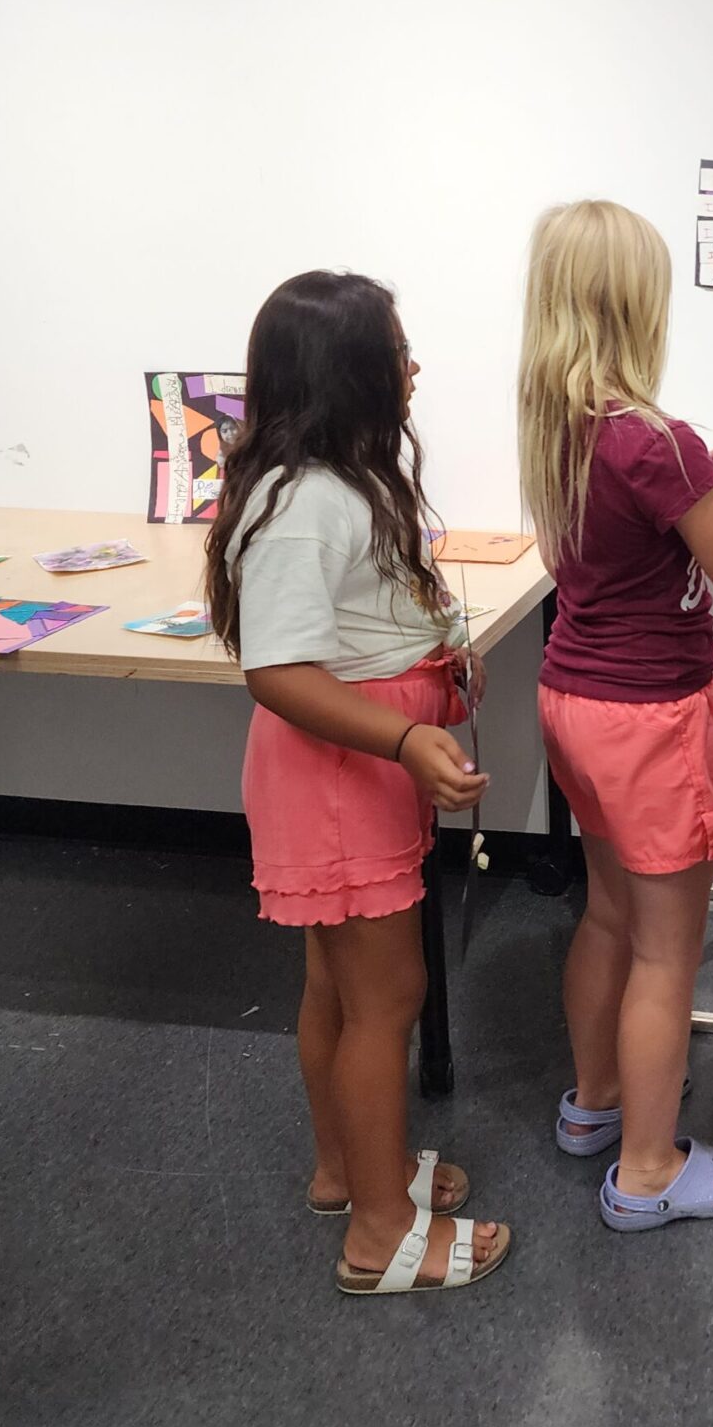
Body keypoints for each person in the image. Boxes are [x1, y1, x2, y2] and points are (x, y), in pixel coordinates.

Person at [204, 270, 510, 1297]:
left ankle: (348, 1169)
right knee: (388, 1000)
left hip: (353, 776)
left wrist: (435, 659)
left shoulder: (342, 483)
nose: (412, 366)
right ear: (347, 375)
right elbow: (279, 672)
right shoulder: (305, 506)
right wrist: (402, 741)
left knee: (339, 987)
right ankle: (381, 1231)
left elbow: (358, 625)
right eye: (396, 350)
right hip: (339, 778)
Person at [518, 200, 713, 1230]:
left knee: (607, 915)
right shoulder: (657, 444)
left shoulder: (556, 426)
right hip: (650, 721)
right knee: (665, 953)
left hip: (573, 703)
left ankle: (595, 1105)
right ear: (636, 304)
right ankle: (648, 1169)